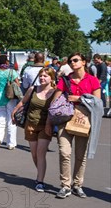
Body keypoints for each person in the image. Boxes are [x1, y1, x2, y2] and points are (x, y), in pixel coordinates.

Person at [46, 52, 101, 199]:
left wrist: (80, 98)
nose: (72, 63)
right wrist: (49, 121)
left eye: (76, 60)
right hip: (65, 118)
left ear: (84, 62)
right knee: (64, 152)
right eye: (70, 61)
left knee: (80, 155)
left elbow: (98, 102)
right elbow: (54, 102)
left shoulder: (93, 80)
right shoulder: (65, 79)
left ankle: (77, 184)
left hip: (84, 120)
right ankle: (65, 185)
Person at [11, 68, 56, 192]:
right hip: (30, 125)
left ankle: (40, 181)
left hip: (45, 126)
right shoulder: (33, 89)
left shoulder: (55, 92)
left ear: (51, 78)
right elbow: (23, 102)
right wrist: (14, 111)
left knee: (41, 154)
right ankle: (40, 173)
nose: (42, 78)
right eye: (41, 76)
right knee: (34, 155)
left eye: (45, 76)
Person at [0, 53, 20, 150]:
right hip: (10, 98)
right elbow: (18, 85)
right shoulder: (11, 72)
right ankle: (11, 143)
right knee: (11, 120)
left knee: (0, 120)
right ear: (6, 62)